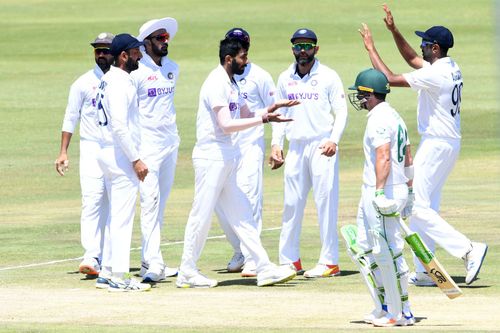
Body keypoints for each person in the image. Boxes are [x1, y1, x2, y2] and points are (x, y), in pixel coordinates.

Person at [358, 4, 487, 286]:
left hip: (437, 144)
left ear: (436, 49)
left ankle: (468, 249)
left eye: (426, 44)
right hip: (448, 143)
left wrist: (371, 48)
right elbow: (413, 59)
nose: (422, 48)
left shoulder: (436, 74)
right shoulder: (450, 66)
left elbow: (388, 79)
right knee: (425, 207)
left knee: (414, 207)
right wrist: (394, 31)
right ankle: (426, 271)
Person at [176, 37, 299, 288]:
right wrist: (263, 121)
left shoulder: (232, 82)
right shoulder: (216, 83)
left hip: (227, 156)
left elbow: (245, 114)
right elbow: (226, 124)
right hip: (212, 156)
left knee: (243, 215)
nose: (247, 61)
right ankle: (187, 270)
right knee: (201, 214)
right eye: (243, 56)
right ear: (229, 59)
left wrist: (268, 110)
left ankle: (264, 267)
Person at [270, 28, 348, 277]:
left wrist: (333, 140)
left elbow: (342, 111)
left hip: (321, 146)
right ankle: (290, 260)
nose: (302, 51)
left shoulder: (328, 76)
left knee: (325, 203)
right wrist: (276, 144)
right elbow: (278, 114)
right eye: (297, 46)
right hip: (296, 147)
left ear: (316, 48)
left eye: (307, 46)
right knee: (291, 204)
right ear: (292, 49)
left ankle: (330, 262)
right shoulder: (285, 78)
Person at [347, 68, 415, 326]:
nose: (359, 99)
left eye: (361, 95)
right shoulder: (394, 116)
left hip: (383, 191)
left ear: (369, 95)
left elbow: (384, 155)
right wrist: (409, 192)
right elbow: (408, 157)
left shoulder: (378, 120)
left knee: (387, 251)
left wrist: (379, 192)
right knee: (364, 247)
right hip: (385, 189)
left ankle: (400, 313)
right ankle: (384, 305)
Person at [215, 28, 278, 278]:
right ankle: (240, 250)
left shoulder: (259, 75)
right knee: (221, 203)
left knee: (251, 200)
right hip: (227, 146)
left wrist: (276, 144)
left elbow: (273, 111)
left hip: (251, 144)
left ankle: (253, 259)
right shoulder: (222, 78)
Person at [94, 33, 151, 292]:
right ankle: (119, 275)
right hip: (119, 155)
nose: (140, 55)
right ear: (124, 56)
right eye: (136, 52)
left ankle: (107, 271)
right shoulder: (121, 81)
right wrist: (136, 159)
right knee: (122, 217)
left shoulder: (107, 79)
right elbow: (119, 126)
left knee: (116, 216)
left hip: (106, 152)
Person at [55, 32, 114, 276]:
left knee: (114, 203)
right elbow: (71, 117)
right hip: (90, 147)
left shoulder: (125, 80)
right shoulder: (82, 83)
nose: (101, 54)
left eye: (105, 50)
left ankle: (110, 256)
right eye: (97, 50)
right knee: (91, 200)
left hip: (115, 148)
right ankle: (91, 255)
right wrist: (63, 152)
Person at [132, 17, 180, 283]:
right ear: (147, 43)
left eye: (166, 38)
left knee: (159, 206)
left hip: (170, 144)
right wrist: (134, 155)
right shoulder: (136, 73)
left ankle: (148, 259)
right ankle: (155, 264)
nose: (164, 42)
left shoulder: (173, 68)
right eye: (159, 39)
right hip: (147, 146)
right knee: (149, 203)